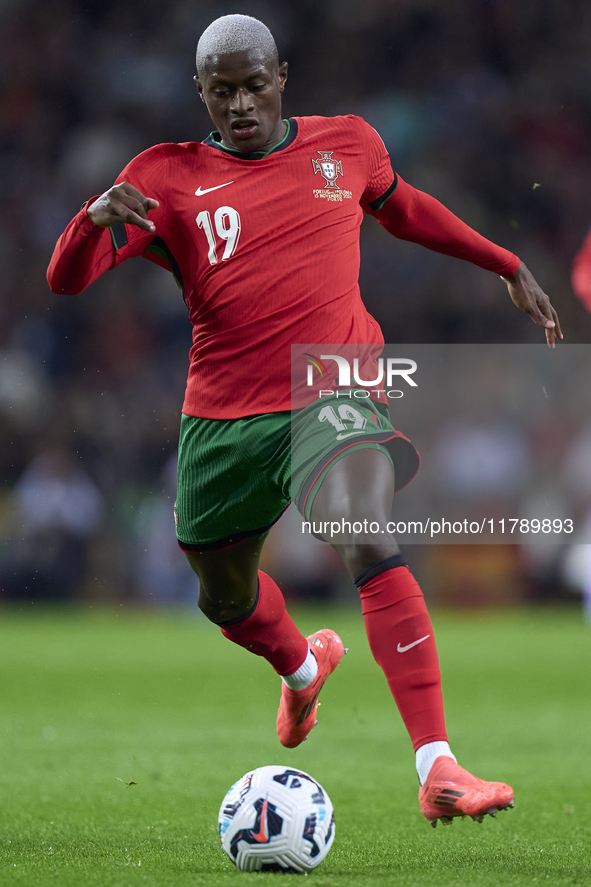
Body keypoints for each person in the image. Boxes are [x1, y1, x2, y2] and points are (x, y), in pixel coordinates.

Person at [47, 14, 562, 828]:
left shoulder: (347, 146)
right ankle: (299, 665)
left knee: (363, 529)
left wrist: (502, 260)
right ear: (201, 94)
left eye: (254, 84)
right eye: (223, 92)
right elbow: (65, 282)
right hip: (219, 418)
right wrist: (91, 220)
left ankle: (436, 764)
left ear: (281, 76)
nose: (241, 104)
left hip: (333, 382)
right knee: (223, 598)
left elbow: (405, 209)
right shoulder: (163, 177)